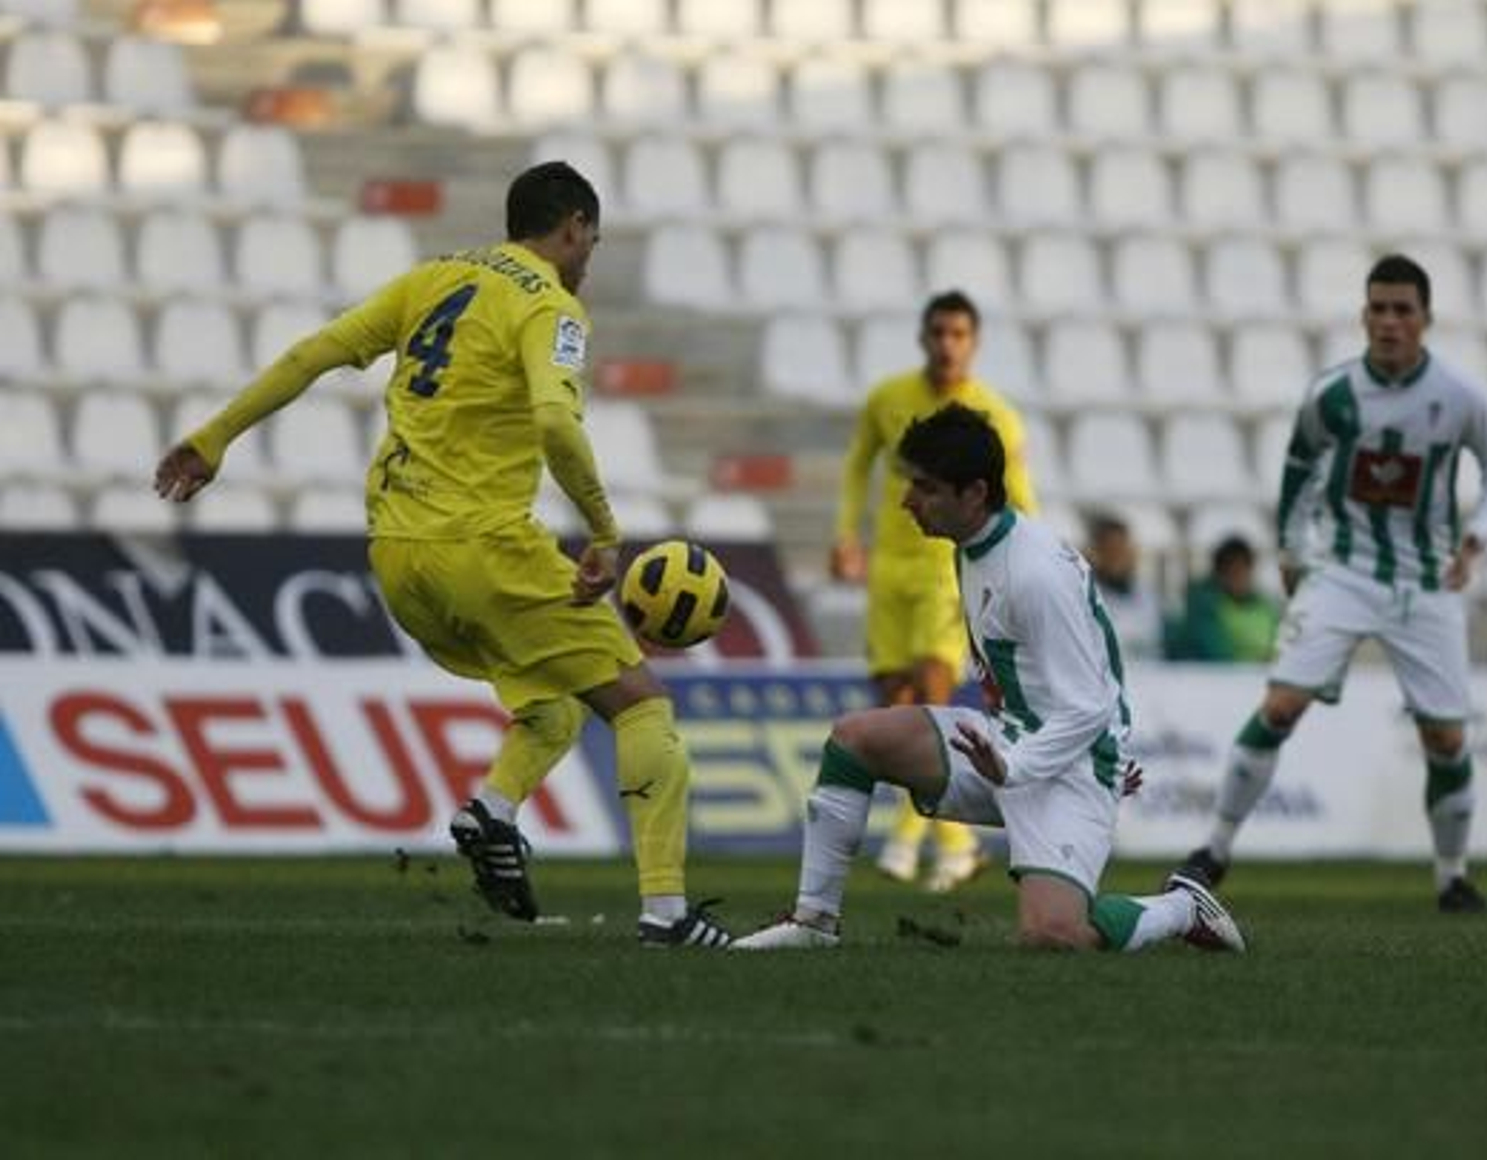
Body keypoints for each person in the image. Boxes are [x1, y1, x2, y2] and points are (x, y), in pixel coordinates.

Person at [153, 161, 733, 948]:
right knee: (640, 704)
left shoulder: (432, 279)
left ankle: (491, 811)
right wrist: (602, 532)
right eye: (590, 238)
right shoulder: (549, 307)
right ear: (571, 228)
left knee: (552, 699)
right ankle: (666, 915)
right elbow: (559, 426)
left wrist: (214, 437)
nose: (589, 255)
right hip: (483, 547)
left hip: (396, 555)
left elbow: (316, 352)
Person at [734, 404, 1245, 953]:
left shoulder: (1034, 573)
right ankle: (814, 923)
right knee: (855, 741)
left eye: (924, 488)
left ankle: (1181, 905)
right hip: (1005, 740)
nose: (907, 501)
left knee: (1052, 937)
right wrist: (1004, 754)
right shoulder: (973, 546)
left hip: (1068, 764)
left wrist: (1021, 766)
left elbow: (1090, 707)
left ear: (975, 493)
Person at [1172, 254, 1487, 914]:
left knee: (1446, 739)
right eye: (1379, 309)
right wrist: (1290, 546)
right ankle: (1212, 849)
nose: (1389, 322)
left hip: (1427, 581)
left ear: (1426, 319)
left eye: (1403, 310)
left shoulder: (1459, 396)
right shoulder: (1332, 393)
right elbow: (1299, 466)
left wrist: (1476, 540)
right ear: (1364, 315)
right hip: (1344, 572)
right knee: (1280, 706)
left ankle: (1452, 876)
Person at [832, 291, 1038, 894]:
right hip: (889, 570)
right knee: (896, 708)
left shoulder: (993, 414)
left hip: (950, 570)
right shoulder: (888, 400)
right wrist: (846, 534)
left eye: (959, 335)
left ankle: (924, 842)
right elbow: (856, 466)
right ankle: (956, 843)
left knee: (931, 689)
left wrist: (1035, 560)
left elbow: (1020, 494)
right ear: (923, 338)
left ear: (973, 343)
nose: (947, 345)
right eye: (939, 333)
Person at [1167, 535, 1280, 662]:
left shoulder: (1266, 607)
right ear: (1220, 573)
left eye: (1243, 570)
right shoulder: (1205, 607)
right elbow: (1217, 652)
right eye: (1232, 571)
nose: (1238, 578)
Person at [1083, 512, 1167, 661]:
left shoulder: (1147, 594)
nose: (1118, 557)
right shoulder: (1085, 598)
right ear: (1096, 553)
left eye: (1122, 548)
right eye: (1110, 550)